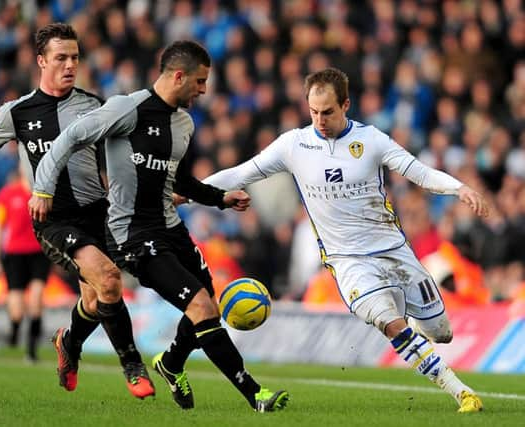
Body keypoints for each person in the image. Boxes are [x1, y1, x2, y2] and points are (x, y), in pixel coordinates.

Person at [201, 68, 487, 413]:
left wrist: (460, 188)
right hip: (347, 261)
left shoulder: (371, 141)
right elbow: (241, 172)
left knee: (441, 333)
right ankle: (461, 392)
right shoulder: (295, 145)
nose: (319, 120)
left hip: (393, 250)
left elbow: (419, 172)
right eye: (313, 112)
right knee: (390, 324)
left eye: (328, 112)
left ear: (346, 105)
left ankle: (416, 330)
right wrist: (187, 194)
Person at [29, 40, 289, 413]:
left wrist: (220, 198)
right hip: (132, 234)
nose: (203, 90)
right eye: (199, 82)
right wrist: (42, 189)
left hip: (170, 227)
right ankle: (255, 394)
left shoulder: (183, 123)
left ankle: (170, 363)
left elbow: (178, 180)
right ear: (178, 75)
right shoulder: (126, 108)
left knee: (207, 306)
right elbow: (70, 138)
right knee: (200, 307)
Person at [0, 23, 154, 399]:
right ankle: (132, 364)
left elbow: (119, 159)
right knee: (109, 279)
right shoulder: (17, 111)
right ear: (41, 61)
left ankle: (68, 343)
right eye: (61, 57)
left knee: (95, 301)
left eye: (75, 57)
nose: (70, 65)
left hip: (99, 214)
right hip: (53, 221)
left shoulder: (94, 105)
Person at [0, 165, 51, 362]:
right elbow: (0, 227)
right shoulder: (7, 194)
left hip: (39, 252)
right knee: (16, 306)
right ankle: (14, 331)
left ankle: (32, 349)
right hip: (15, 253)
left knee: (36, 298)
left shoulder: (46, 193)